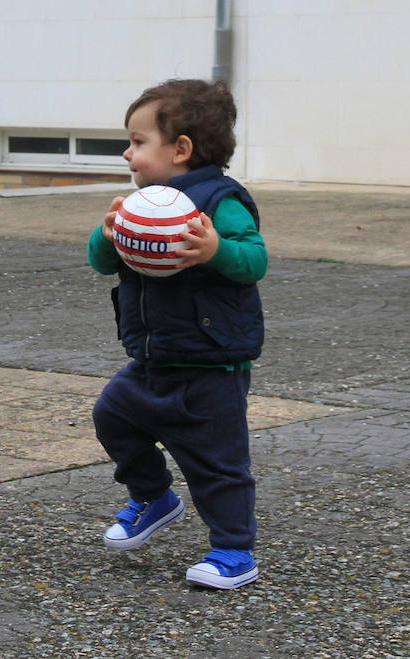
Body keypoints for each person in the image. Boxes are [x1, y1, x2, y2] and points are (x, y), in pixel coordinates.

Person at [87, 79, 267, 590]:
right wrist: (108, 234)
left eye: (138, 141)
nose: (128, 152)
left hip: (212, 363)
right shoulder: (142, 203)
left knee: (218, 464)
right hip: (153, 356)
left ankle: (233, 552)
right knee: (113, 416)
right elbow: (101, 262)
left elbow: (254, 260)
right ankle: (154, 496)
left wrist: (215, 251)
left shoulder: (222, 202)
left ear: (181, 149)